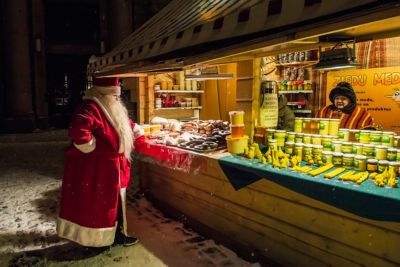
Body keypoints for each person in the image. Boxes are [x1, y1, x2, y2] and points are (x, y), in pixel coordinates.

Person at [57, 77, 145, 248]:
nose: (117, 98)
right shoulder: (90, 107)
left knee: (115, 205)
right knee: (98, 206)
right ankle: (97, 241)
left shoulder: (110, 105)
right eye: (114, 95)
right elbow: (79, 133)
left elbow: (122, 123)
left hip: (112, 168)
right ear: (105, 93)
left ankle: (117, 235)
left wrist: (135, 130)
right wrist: (97, 150)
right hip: (97, 169)